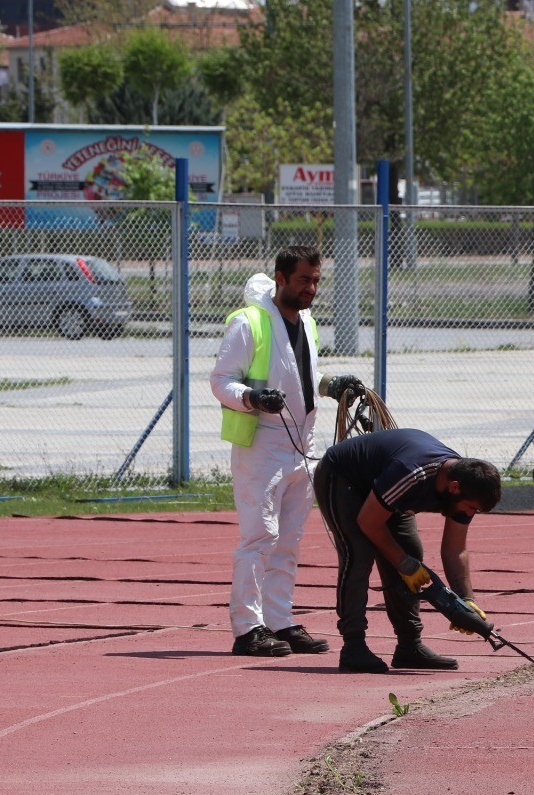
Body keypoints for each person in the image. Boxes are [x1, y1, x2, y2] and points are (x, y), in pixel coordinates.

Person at [209, 246, 341, 658]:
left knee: (289, 539)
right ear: (280, 278)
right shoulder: (249, 324)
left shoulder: (306, 321)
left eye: (316, 280)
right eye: (304, 280)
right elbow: (220, 381)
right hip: (262, 444)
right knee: (259, 536)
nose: (311, 288)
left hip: (304, 445)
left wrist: (331, 385)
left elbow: (303, 374)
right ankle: (248, 629)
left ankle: (280, 620)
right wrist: (251, 397)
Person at [312, 428, 503, 673]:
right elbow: (368, 522)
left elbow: (455, 549)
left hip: (386, 492)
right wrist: (403, 563)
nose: (469, 514)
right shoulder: (412, 473)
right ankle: (353, 645)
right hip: (345, 479)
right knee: (358, 554)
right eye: (470, 508)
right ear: (454, 487)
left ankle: (409, 646)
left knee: (411, 551)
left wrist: (466, 600)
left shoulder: (466, 486)